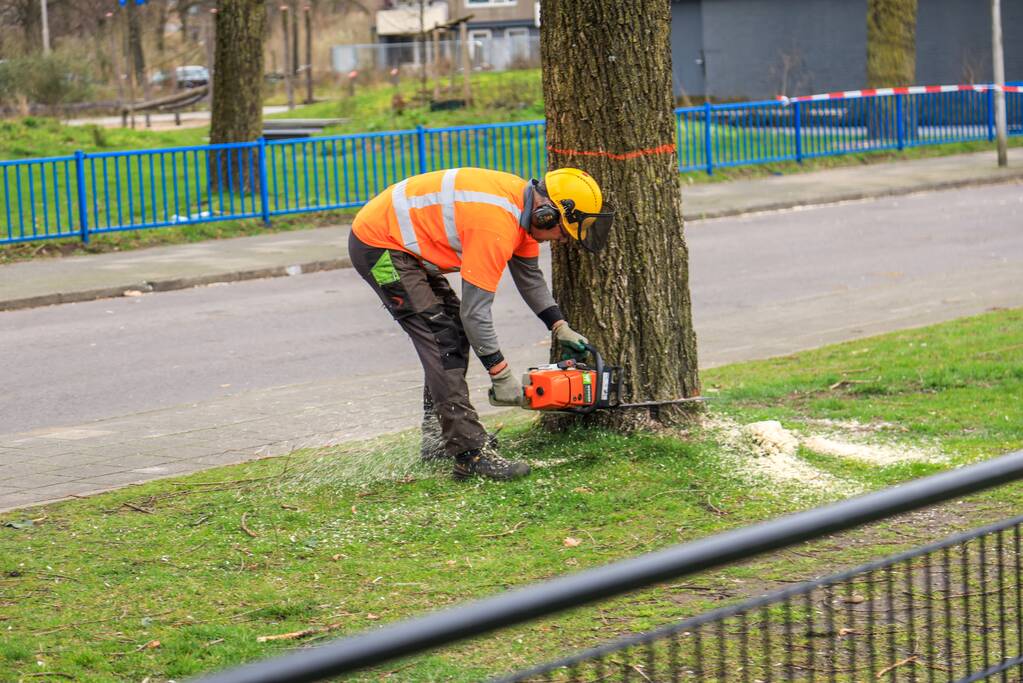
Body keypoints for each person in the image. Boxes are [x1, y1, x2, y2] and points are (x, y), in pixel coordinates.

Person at [349, 167, 614, 481]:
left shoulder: (523, 212)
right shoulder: (496, 225)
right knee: (442, 339)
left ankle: (440, 439)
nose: (562, 240)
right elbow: (475, 314)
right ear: (546, 215)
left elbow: (530, 278)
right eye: (563, 232)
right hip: (379, 247)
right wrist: (501, 375)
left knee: (452, 333)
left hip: (400, 246)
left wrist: (558, 325)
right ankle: (470, 454)